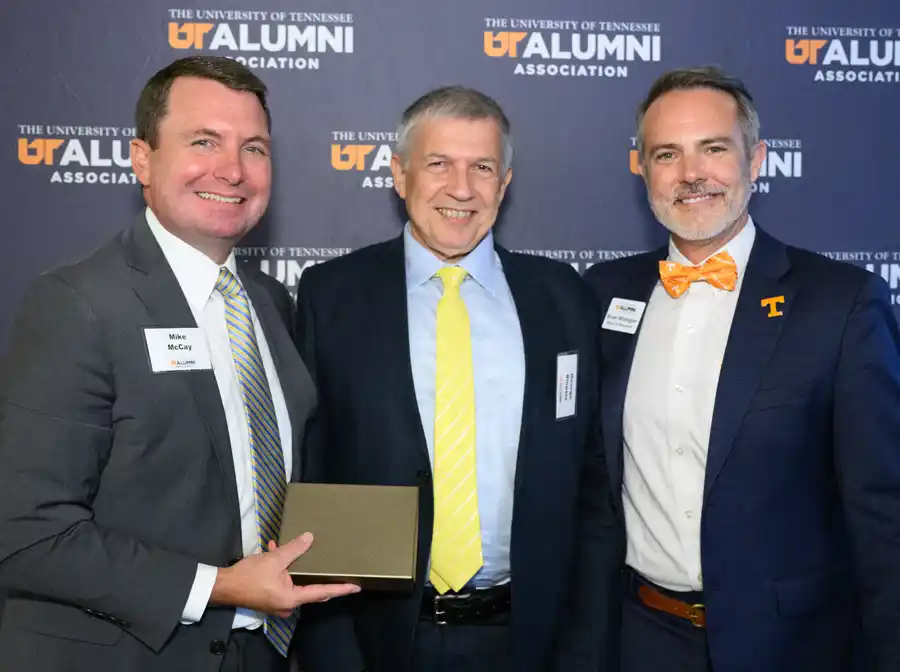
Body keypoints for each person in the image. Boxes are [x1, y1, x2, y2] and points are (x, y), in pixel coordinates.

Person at [0, 55, 359, 672]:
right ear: (142, 159)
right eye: (203, 142)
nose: (233, 170)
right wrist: (221, 587)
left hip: (259, 655)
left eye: (254, 148)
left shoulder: (270, 303)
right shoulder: (78, 303)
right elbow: (26, 533)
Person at [292, 86, 622, 672]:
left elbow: (592, 488)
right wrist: (332, 651)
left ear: (505, 181)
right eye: (439, 164)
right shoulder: (332, 295)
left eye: (482, 167)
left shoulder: (563, 297)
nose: (462, 188)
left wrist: (584, 649)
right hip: (380, 641)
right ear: (399, 174)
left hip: (528, 639)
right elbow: (314, 473)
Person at [583, 65, 900, 672]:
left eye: (714, 149)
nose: (691, 173)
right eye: (667, 154)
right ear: (642, 170)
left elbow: (882, 511)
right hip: (639, 638)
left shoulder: (841, 303)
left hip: (793, 646)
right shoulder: (602, 294)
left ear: (756, 161)